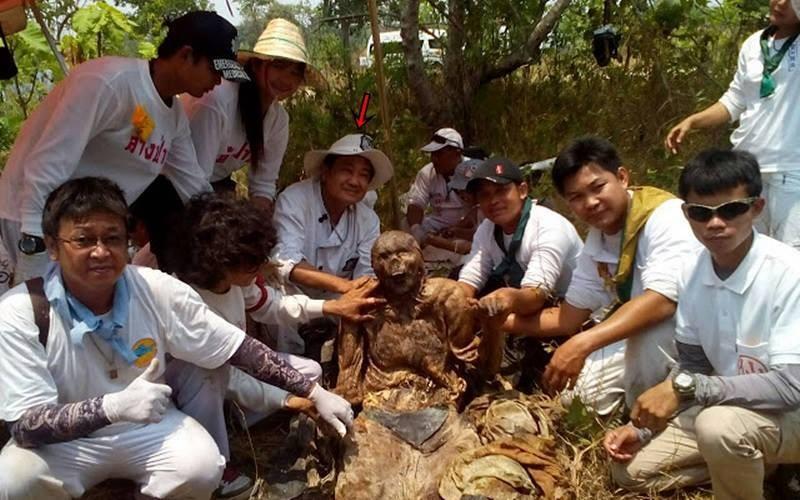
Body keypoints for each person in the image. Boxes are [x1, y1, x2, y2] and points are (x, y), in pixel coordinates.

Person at [0, 177, 352, 499]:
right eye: (83, 239)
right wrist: (111, 407)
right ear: (52, 246)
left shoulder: (155, 289)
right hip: (64, 444)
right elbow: (26, 426)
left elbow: (237, 348)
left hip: (146, 427)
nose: (101, 251)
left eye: (112, 238)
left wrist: (313, 392)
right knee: (14, 479)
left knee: (201, 467)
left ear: (129, 239)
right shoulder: (21, 311)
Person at [604, 149, 800, 500]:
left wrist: (691, 389)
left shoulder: (788, 272)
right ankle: (749, 463)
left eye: (731, 209)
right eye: (701, 212)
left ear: (757, 208)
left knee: (718, 427)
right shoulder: (691, 272)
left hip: (789, 414)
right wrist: (644, 430)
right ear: (686, 214)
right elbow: (694, 364)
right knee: (628, 471)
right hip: (732, 411)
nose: (715, 224)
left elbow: (792, 387)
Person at [0, 11, 249, 285]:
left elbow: (194, 186)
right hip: (27, 220)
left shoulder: (174, 116)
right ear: (186, 55)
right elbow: (47, 164)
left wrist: (236, 238)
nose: (217, 82)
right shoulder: (108, 83)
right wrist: (33, 243)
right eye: (215, 70)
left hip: (77, 236)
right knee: (30, 320)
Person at [167, 193, 383, 497]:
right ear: (219, 259)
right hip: (191, 382)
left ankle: (235, 421)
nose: (259, 269)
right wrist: (294, 401)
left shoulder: (233, 283)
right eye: (251, 263)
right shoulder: (185, 298)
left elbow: (272, 306)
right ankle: (218, 463)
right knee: (208, 377)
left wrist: (329, 308)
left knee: (308, 370)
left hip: (230, 370)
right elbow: (229, 375)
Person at [503, 137, 700, 414]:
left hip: (692, 332)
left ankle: (653, 421)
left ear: (622, 177)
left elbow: (662, 301)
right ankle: (637, 406)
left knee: (648, 335)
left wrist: (582, 343)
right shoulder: (598, 240)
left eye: (597, 188)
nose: (591, 203)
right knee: (578, 400)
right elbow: (568, 317)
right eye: (576, 198)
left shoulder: (665, 217)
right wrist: (500, 320)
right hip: (641, 330)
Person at [664, 0, 800, 248]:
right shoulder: (754, 44)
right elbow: (735, 100)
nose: (780, 3)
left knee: (792, 253)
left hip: (791, 168)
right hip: (747, 168)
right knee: (747, 249)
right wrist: (693, 121)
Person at [173, 18, 323, 213]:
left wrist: (258, 226)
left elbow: (263, 183)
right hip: (174, 186)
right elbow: (193, 180)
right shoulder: (218, 101)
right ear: (256, 65)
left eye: (295, 73)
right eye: (279, 66)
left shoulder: (278, 120)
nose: (286, 79)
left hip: (214, 188)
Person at [456, 157, 583, 382]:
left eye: (501, 191)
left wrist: (501, 305)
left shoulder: (549, 227)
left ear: (522, 190)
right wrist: (457, 304)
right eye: (484, 195)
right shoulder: (487, 229)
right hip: (524, 298)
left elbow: (535, 295)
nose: (493, 201)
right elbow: (469, 278)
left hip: (567, 312)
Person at [271, 134, 393, 355]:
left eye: (364, 175)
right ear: (326, 172)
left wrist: (355, 293)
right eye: (347, 170)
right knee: (284, 295)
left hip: (339, 295)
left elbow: (366, 273)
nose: (355, 181)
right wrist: (345, 287)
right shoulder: (294, 200)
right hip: (292, 290)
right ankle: (288, 369)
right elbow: (286, 264)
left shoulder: (368, 219)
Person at [406, 127, 470, 245]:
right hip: (438, 224)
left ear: (457, 153)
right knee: (407, 224)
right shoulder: (427, 173)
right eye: (432, 154)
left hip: (468, 223)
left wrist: (459, 228)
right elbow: (416, 203)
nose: (434, 159)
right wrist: (416, 229)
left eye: (439, 154)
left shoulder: (473, 171)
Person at [424, 158, 483, 257]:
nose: (461, 194)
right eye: (458, 190)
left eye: (465, 191)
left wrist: (437, 241)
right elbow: (467, 225)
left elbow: (473, 244)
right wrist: (454, 230)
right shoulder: (477, 210)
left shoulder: (493, 213)